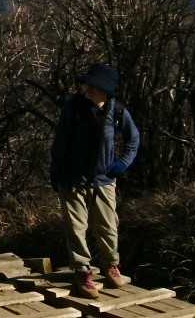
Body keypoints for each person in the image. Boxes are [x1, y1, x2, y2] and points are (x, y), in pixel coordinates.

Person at [50, 63, 140, 300]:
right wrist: (56, 172)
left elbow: (133, 140)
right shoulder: (73, 108)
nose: (87, 89)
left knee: (108, 226)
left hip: (104, 180)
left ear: (105, 90)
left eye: (93, 86)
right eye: (87, 85)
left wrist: (121, 164)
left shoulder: (117, 112)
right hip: (72, 178)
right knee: (76, 227)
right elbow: (60, 143)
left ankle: (111, 266)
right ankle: (82, 271)